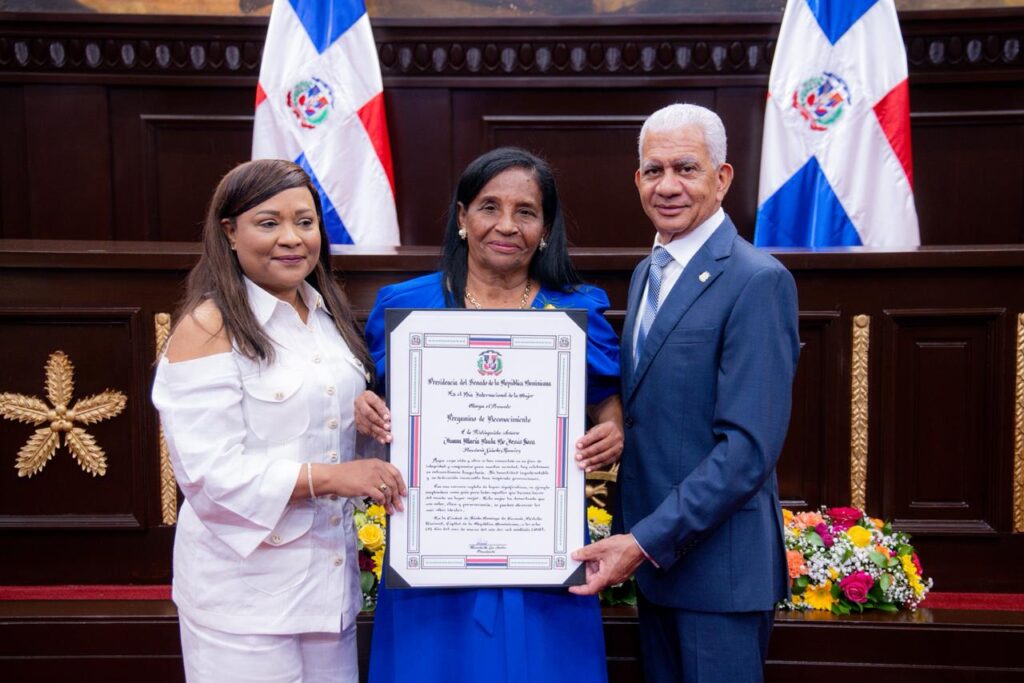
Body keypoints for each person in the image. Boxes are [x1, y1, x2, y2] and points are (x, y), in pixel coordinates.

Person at [355, 147, 624, 683]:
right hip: (434, 556)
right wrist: (363, 407)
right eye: (489, 207)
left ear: (546, 228)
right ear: (462, 217)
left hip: (543, 555)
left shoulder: (577, 311)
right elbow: (372, 395)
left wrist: (613, 426)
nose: (506, 225)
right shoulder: (405, 307)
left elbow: (604, 394)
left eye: (526, 212)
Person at [151, 159, 406, 683]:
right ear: (229, 232)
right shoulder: (208, 326)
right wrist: (331, 478)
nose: (291, 238)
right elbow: (208, 473)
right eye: (269, 223)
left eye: (305, 222)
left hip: (327, 591)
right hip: (244, 597)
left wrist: (365, 421)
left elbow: (333, 438)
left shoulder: (325, 314)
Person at [570, 104, 800, 683]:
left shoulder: (758, 280)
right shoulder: (648, 272)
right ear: (637, 180)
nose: (667, 186)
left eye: (686, 168)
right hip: (660, 571)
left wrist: (643, 542)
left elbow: (747, 450)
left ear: (722, 178)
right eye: (654, 170)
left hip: (718, 578)